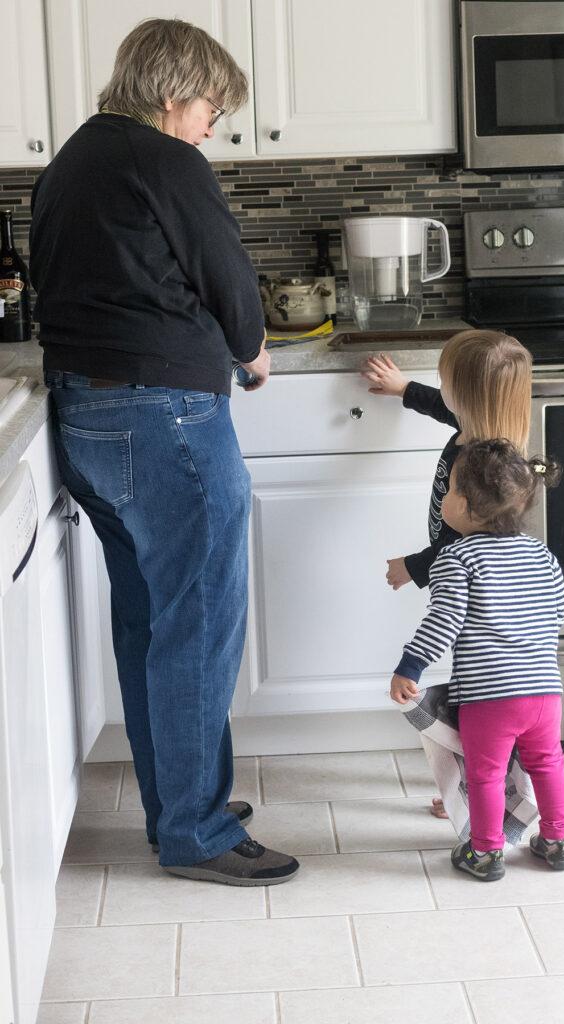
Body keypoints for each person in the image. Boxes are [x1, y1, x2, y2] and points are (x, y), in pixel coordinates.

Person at [29, 18, 299, 886]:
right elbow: (227, 272)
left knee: (151, 622)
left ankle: (177, 805)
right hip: (168, 420)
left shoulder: (69, 161)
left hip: (87, 416)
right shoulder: (165, 159)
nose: (210, 127)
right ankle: (197, 832)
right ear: (173, 92)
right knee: (200, 625)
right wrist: (251, 350)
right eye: (210, 108)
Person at [363, 330, 532, 819]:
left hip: (470, 586)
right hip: (474, 582)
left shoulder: (479, 462)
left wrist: (412, 567)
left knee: (480, 698)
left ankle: (486, 790)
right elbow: (447, 408)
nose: (441, 389)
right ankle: (481, 781)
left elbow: (457, 542)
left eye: (447, 382)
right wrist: (405, 390)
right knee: (476, 695)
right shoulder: (484, 435)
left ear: (470, 396)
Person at [391, 438, 564, 882]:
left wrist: (409, 666)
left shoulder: (457, 557)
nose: (444, 500)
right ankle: (557, 839)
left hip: (490, 698)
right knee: (548, 762)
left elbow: (443, 621)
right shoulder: (541, 554)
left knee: (486, 773)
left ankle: (486, 851)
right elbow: (559, 610)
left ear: (471, 507)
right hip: (545, 691)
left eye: (451, 491)